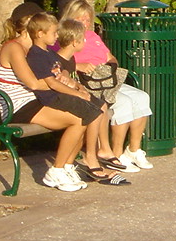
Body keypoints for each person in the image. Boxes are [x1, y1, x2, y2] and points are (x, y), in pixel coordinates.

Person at [0, 2, 92, 192]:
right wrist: (59, 83)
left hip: (37, 100)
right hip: (19, 106)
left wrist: (69, 83)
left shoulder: (37, 49)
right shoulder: (14, 48)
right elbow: (33, 84)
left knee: (86, 114)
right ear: (31, 24)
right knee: (77, 120)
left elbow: (54, 73)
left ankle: (67, 168)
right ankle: (56, 171)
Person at [24, 12, 126, 184]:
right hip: (52, 97)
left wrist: (76, 85)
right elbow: (52, 84)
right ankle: (88, 158)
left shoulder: (48, 53)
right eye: (54, 33)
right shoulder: (36, 55)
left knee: (99, 106)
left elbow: (60, 72)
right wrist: (77, 93)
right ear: (40, 34)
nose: (57, 36)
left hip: (61, 92)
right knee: (91, 113)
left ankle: (71, 164)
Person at [59, 0, 155, 173]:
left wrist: (111, 64)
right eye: (81, 19)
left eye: (88, 19)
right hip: (88, 83)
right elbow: (59, 61)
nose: (86, 23)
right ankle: (114, 153)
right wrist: (78, 66)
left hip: (106, 78)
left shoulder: (93, 36)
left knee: (142, 97)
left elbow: (110, 56)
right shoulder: (64, 38)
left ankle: (133, 150)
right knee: (124, 102)